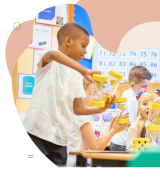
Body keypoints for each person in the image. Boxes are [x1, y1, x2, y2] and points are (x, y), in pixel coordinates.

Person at [22, 23, 115, 166]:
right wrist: (84, 70)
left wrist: (99, 110)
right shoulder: (49, 59)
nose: (85, 52)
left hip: (60, 140)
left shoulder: (77, 76)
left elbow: (77, 108)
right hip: (36, 133)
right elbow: (54, 55)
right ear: (69, 41)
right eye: (83, 46)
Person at [66, 77, 130, 168]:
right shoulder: (82, 116)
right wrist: (114, 131)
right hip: (77, 164)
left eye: (96, 93)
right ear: (78, 96)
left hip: (79, 162)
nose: (96, 97)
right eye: (91, 93)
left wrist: (111, 128)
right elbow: (95, 147)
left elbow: (99, 146)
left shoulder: (85, 115)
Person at [109, 66, 152, 151]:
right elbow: (132, 125)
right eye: (143, 86)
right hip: (122, 144)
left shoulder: (127, 93)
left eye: (147, 86)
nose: (146, 90)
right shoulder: (132, 100)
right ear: (132, 85)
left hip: (119, 142)